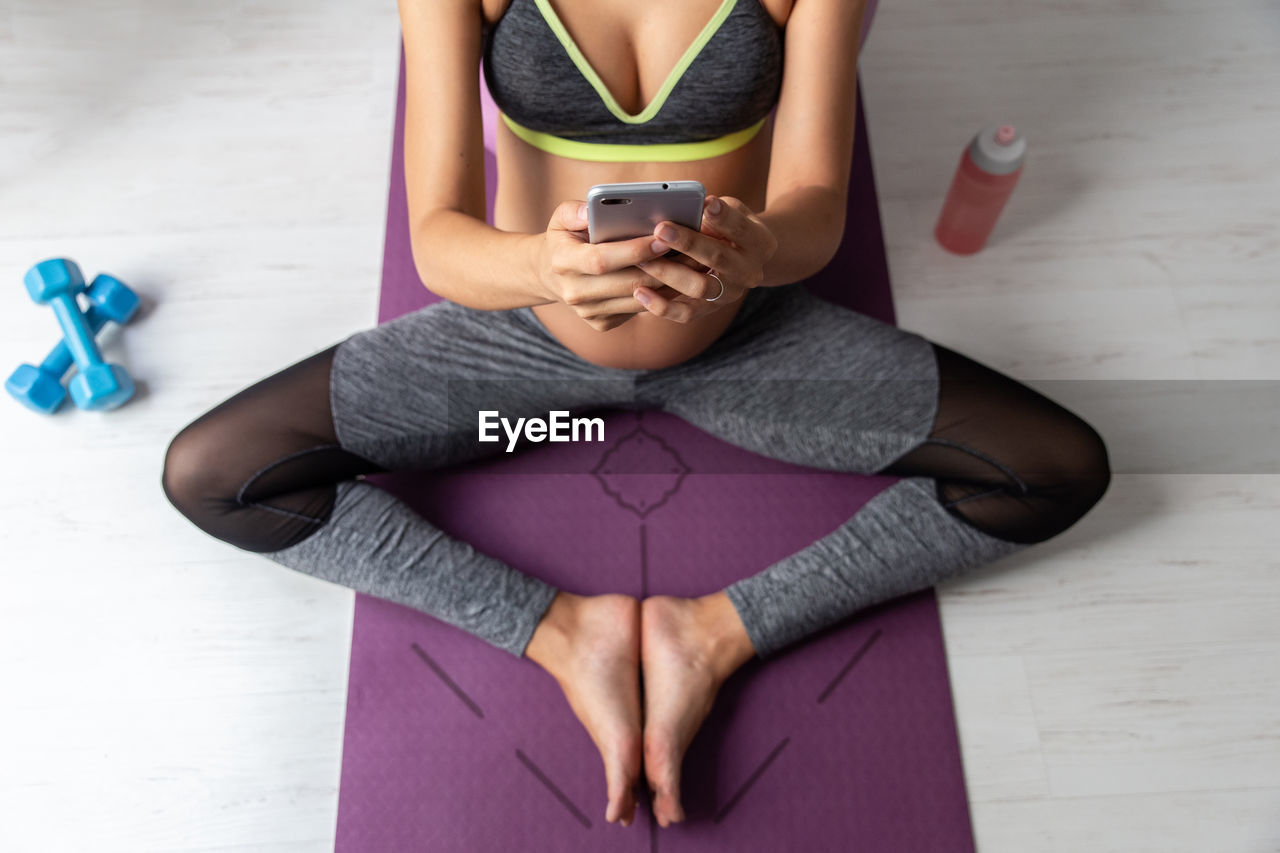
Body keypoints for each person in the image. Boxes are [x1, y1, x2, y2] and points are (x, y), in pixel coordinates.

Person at [162, 0, 1111, 831]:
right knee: (214, 474)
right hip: (519, 346)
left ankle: (709, 635)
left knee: (1057, 466)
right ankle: (570, 633)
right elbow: (438, 241)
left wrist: (760, 250)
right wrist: (545, 268)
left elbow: (817, 210)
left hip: (746, 343)